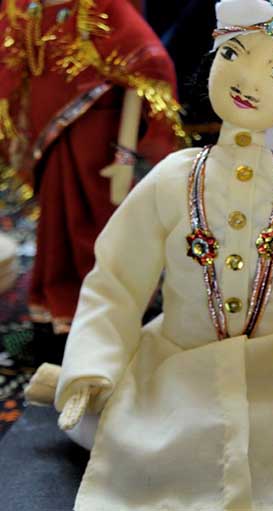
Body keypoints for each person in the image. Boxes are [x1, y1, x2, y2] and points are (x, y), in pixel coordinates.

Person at [26, 0, 273, 509]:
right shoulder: (175, 177)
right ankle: (87, 387)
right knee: (142, 439)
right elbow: (116, 279)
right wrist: (93, 363)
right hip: (177, 360)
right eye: (232, 55)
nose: (248, 81)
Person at [0, 0, 183, 356]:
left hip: (96, 141)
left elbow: (145, 68)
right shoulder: (24, 8)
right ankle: (57, 315)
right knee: (55, 228)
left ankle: (111, 315)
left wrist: (125, 155)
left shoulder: (101, 6)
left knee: (98, 228)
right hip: (46, 141)